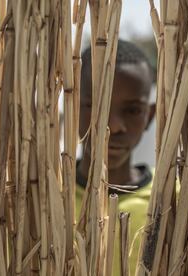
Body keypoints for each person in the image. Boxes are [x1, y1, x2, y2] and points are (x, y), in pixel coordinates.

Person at [75, 39, 156, 275]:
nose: (114, 125)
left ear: (149, 116)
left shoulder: (173, 197)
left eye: (132, 110)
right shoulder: (41, 198)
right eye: (98, 106)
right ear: (73, 104)